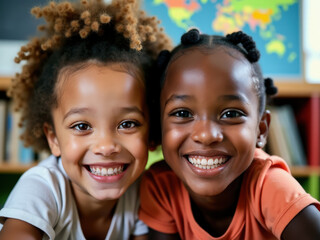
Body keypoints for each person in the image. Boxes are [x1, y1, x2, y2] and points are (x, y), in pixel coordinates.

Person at [0, 0, 171, 239]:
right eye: (82, 126)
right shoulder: (43, 188)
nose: (106, 146)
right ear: (53, 139)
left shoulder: (141, 192)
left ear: (152, 131)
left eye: (127, 124)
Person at [139, 29, 320, 240]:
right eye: (182, 113)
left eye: (231, 114)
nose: (206, 135)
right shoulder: (161, 186)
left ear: (261, 130)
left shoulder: (269, 186)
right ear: (158, 126)